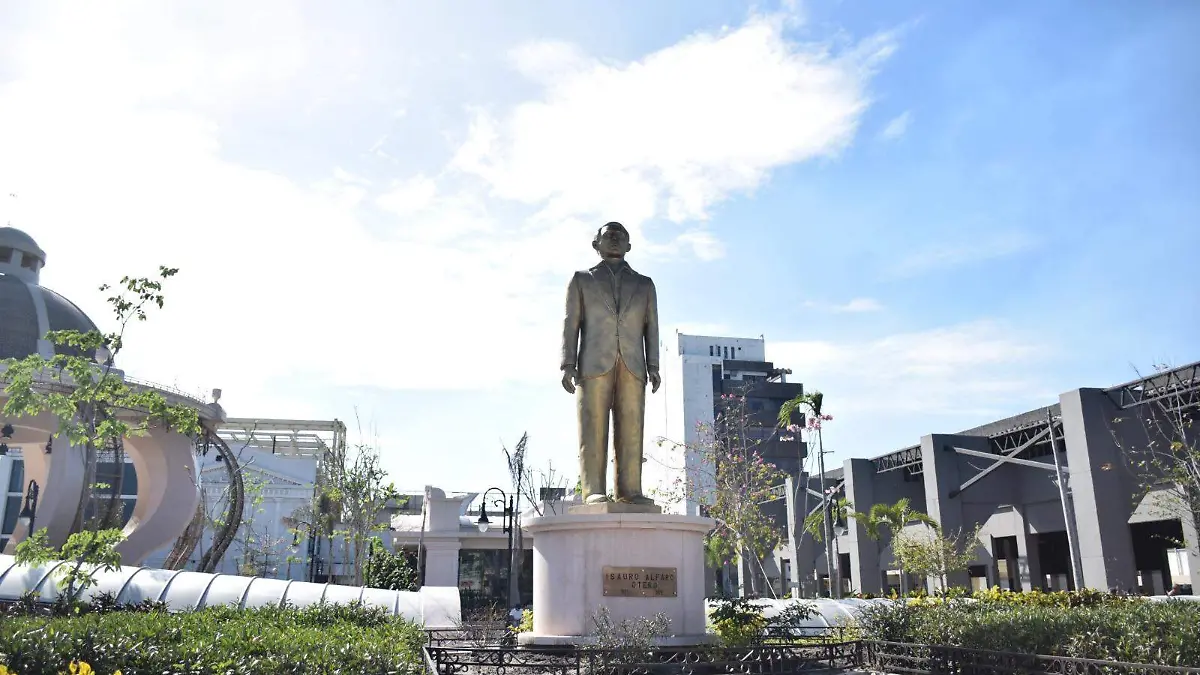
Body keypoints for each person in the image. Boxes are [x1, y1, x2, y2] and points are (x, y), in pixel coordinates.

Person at [561, 222, 661, 505]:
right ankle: (593, 489)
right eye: (608, 235)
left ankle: (631, 491)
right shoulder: (581, 280)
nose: (615, 239)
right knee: (592, 427)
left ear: (629, 245)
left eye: (620, 236)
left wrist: (653, 365)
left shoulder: (644, 284)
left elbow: (652, 326)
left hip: (633, 364)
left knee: (632, 429)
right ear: (596, 244)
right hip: (592, 363)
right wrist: (567, 364)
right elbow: (571, 323)